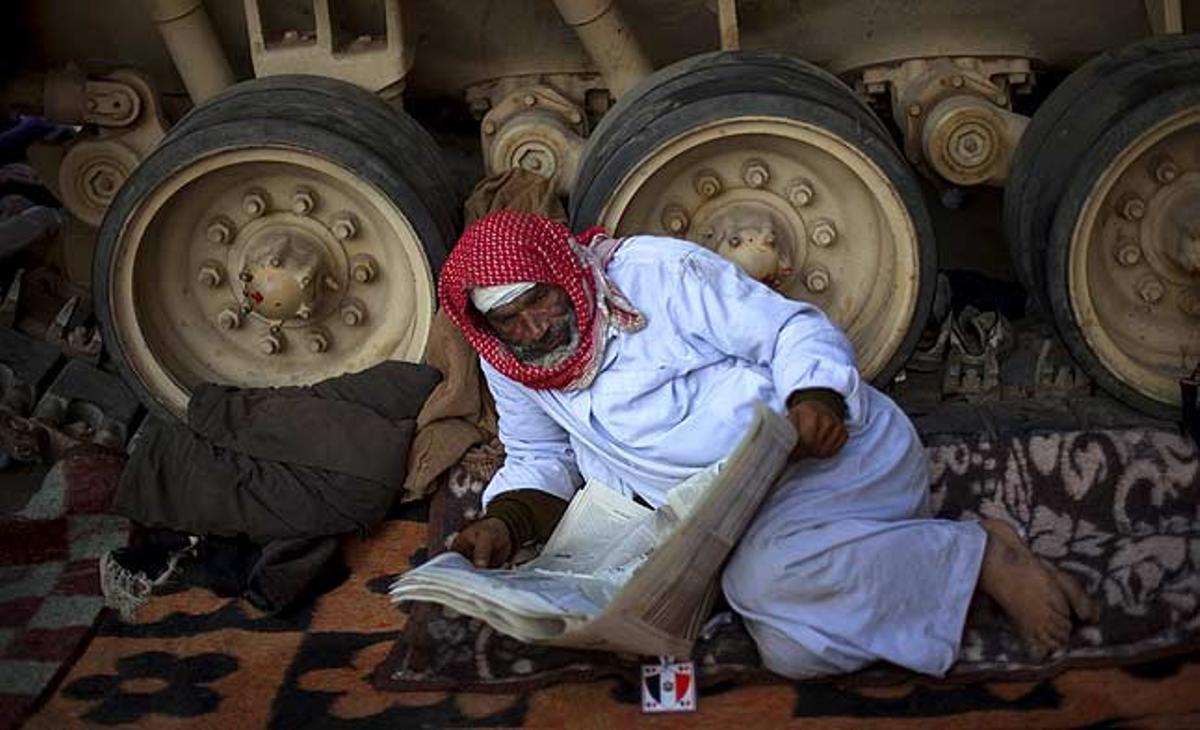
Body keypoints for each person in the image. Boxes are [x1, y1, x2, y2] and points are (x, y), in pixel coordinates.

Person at [438, 210, 1097, 678]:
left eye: (540, 302)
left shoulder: (659, 276)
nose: (533, 326)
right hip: (713, 517)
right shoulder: (511, 355)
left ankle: (979, 558)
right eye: (510, 319)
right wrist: (504, 522)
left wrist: (816, 400)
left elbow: (791, 332)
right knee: (793, 652)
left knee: (766, 577)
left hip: (825, 466)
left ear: (561, 272)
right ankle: (934, 558)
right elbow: (538, 455)